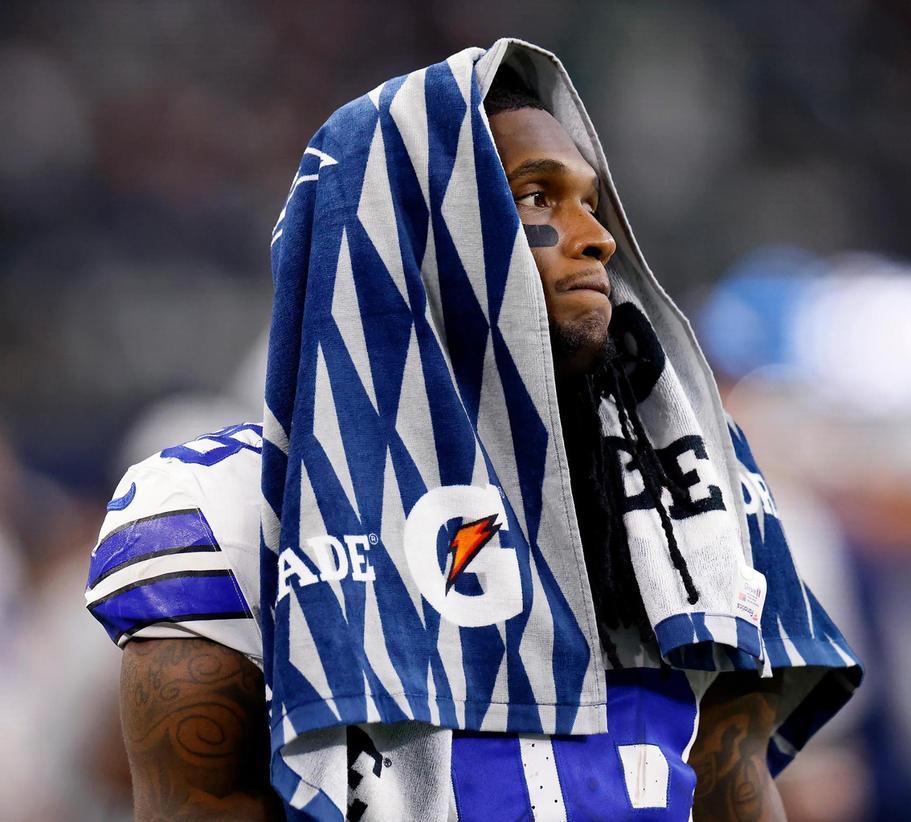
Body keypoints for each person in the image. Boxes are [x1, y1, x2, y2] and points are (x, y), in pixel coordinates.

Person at [87, 40, 860, 821]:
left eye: (591, 202)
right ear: (409, 231)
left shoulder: (679, 492)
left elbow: (736, 790)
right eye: (538, 196)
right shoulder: (222, 510)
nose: (597, 237)